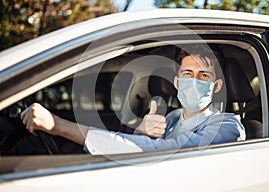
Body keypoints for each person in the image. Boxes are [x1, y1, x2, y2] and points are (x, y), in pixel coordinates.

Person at [21, 45, 246, 155]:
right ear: (177, 83)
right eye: (187, 74)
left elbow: (165, 151)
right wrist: (140, 132)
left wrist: (59, 126)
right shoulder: (173, 118)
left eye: (204, 76)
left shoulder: (227, 126)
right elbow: (144, 146)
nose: (194, 81)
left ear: (216, 87)